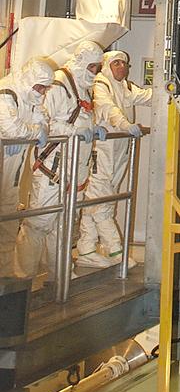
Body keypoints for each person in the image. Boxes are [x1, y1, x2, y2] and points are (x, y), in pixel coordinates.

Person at [16, 40, 105, 281]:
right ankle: (22, 278)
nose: (95, 73)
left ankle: (60, 275)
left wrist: (94, 128)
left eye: (97, 68)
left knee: (66, 224)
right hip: (52, 168)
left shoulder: (83, 87)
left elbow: (80, 118)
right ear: (82, 63)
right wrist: (72, 131)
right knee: (39, 223)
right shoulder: (57, 84)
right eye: (93, 67)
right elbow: (42, 121)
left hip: (74, 169)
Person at [78, 50, 152, 267]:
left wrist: (171, 91)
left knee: (98, 199)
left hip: (119, 153)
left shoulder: (125, 87)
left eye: (124, 63)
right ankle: (115, 251)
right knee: (101, 201)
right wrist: (125, 125)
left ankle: (86, 249)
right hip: (101, 151)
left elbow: (147, 96)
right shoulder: (101, 84)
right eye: (116, 63)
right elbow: (108, 109)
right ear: (107, 65)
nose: (121, 67)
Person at [0, 57, 53, 277]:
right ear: (30, 80)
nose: (41, 91)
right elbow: (11, 128)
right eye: (39, 86)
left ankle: (4, 274)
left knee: (8, 215)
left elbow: (44, 122)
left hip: (12, 166)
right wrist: (30, 133)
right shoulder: (7, 92)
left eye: (44, 87)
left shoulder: (30, 96)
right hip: (6, 160)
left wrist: (29, 132)